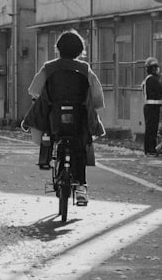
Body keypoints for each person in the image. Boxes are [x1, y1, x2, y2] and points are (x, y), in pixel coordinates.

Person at [27, 30, 105, 207]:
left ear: (58, 49)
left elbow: (33, 90)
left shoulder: (48, 67)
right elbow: (97, 96)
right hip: (79, 120)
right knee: (81, 146)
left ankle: (45, 158)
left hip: (55, 119)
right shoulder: (85, 69)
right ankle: (81, 188)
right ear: (80, 50)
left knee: (48, 130)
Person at [141, 56, 162, 155]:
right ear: (152, 68)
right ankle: (151, 149)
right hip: (152, 107)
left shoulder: (147, 79)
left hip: (149, 107)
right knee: (152, 128)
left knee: (149, 129)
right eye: (156, 67)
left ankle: (148, 149)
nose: (157, 69)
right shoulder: (152, 79)